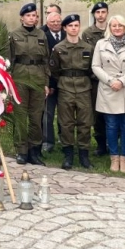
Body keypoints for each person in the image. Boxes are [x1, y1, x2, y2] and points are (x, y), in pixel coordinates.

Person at [91, 14, 125, 173]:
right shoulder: (101, 43)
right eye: (114, 26)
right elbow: (96, 66)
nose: (117, 28)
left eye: (120, 25)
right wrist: (111, 81)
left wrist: (122, 81)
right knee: (111, 125)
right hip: (108, 88)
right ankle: (114, 157)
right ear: (109, 28)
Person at [50, 14, 94, 170]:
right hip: (65, 88)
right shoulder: (59, 48)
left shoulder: (88, 48)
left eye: (76, 25)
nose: (74, 28)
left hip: (84, 87)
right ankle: (68, 155)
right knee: (66, 123)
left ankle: (84, 155)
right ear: (65, 28)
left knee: (85, 123)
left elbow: (92, 69)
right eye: (70, 26)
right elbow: (54, 69)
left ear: (79, 27)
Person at [9, 3, 50, 166]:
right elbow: (10, 59)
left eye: (34, 16)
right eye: (28, 16)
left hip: (38, 77)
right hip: (20, 77)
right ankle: (21, 151)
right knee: (20, 115)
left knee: (36, 116)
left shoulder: (42, 35)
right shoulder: (13, 35)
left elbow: (46, 60)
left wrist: (46, 82)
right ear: (22, 17)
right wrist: (9, 82)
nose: (31, 18)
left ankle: (34, 151)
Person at [82, 2, 109, 156]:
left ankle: (112, 142)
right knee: (97, 112)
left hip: (112, 78)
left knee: (112, 112)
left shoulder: (113, 29)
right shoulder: (88, 33)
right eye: (97, 12)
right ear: (94, 14)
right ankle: (100, 144)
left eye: (103, 12)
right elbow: (87, 56)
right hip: (95, 79)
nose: (100, 15)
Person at [41, 11, 64, 153]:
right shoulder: (43, 36)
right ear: (47, 23)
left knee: (64, 114)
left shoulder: (67, 34)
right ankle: (48, 141)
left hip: (64, 81)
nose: (56, 24)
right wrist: (49, 84)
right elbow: (44, 62)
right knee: (48, 114)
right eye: (52, 22)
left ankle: (64, 139)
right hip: (49, 82)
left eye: (58, 21)